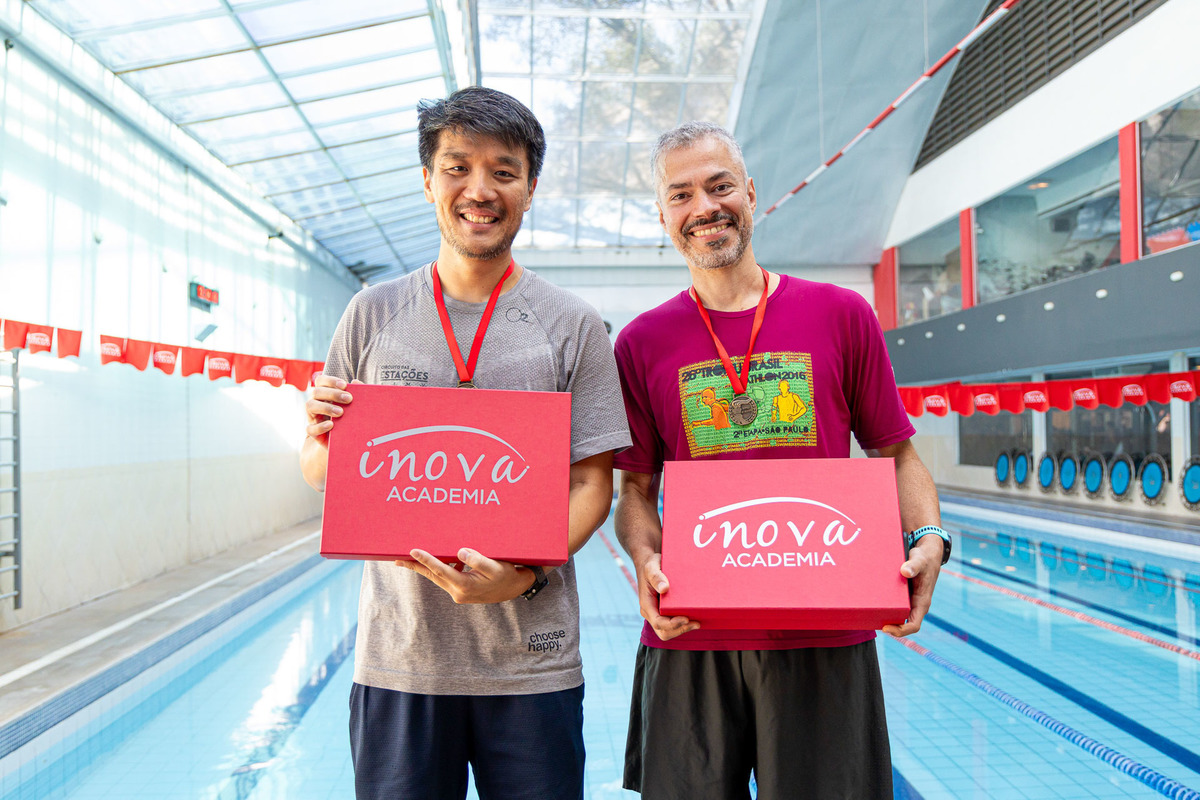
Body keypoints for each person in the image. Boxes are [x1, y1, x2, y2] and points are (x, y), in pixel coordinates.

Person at [300, 86, 631, 800]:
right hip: (401, 659)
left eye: (503, 172)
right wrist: (320, 433)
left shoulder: (571, 324)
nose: (480, 190)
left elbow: (591, 484)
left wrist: (523, 575)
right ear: (428, 181)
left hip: (531, 663)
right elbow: (321, 470)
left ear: (530, 189)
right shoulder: (373, 313)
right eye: (458, 168)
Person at [612, 121, 949, 800]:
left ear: (750, 192)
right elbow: (635, 491)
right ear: (662, 216)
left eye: (720, 186)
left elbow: (895, 451)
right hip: (691, 635)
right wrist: (644, 560)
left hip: (825, 630)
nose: (705, 207)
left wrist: (930, 538)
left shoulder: (840, 314)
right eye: (681, 194)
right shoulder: (642, 342)